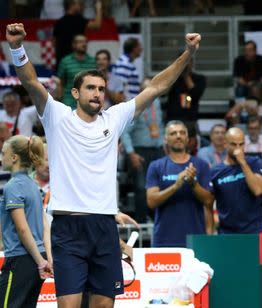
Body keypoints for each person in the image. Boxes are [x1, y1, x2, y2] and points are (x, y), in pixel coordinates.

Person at [6, 21, 201, 307]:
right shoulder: (56, 117)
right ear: (75, 93)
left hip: (104, 227)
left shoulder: (115, 117)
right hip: (68, 227)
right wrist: (16, 47)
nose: (97, 93)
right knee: (69, 305)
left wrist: (188, 52)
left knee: (103, 305)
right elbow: (31, 82)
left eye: (101, 88)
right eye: (90, 88)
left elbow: (157, 86)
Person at [0, 135, 53, 307]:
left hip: (21, 260)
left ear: (14, 157)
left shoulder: (12, 187)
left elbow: (22, 229)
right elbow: (45, 226)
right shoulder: (33, 185)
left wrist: (40, 262)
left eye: (3, 153)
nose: (1, 158)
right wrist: (47, 259)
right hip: (37, 259)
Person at [146, 120, 213, 246]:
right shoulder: (156, 166)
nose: (178, 136)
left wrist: (193, 183)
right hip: (164, 240)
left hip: (195, 239)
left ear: (187, 138)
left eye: (182, 133)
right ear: (165, 139)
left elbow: (209, 201)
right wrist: (176, 186)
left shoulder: (201, 165)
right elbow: (151, 201)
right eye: (173, 133)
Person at [209, 127, 262, 264]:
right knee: (231, 278)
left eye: (241, 144)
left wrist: (242, 162)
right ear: (225, 144)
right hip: (227, 236)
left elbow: (258, 190)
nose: (238, 148)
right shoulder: (215, 171)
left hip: (254, 233)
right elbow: (208, 203)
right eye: (234, 144)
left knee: (261, 279)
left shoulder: (254, 162)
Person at [122, 76, 164, 223]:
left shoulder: (157, 103)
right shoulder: (135, 106)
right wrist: (131, 153)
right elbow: (125, 131)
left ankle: (156, 219)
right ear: (141, 91)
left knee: (158, 186)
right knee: (141, 187)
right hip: (140, 151)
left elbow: (160, 125)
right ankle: (141, 221)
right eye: (146, 88)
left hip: (158, 150)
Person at [53, 0, 102, 69]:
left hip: (63, 61)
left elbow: (54, 43)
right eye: (79, 4)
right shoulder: (79, 20)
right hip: (74, 62)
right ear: (72, 5)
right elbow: (97, 25)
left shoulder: (59, 22)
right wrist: (98, 8)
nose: (81, 6)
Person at [165, 56, 206, 129]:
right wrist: (173, 72)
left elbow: (196, 94)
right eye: (182, 63)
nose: (184, 65)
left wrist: (186, 75)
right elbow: (163, 91)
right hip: (172, 118)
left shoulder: (199, 78)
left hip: (190, 119)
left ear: (192, 63)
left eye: (187, 62)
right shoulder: (172, 78)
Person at [57, 34, 96, 109]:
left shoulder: (93, 61)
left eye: (85, 42)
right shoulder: (65, 61)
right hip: (68, 103)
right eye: (80, 42)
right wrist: (60, 101)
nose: (84, 44)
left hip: (88, 103)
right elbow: (60, 83)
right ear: (73, 45)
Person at [109, 37, 142, 102]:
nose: (141, 49)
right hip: (127, 104)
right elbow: (119, 88)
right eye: (139, 46)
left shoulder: (125, 62)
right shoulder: (125, 64)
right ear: (134, 48)